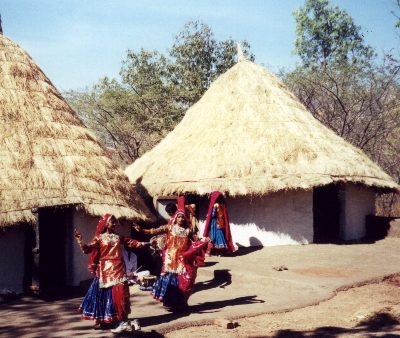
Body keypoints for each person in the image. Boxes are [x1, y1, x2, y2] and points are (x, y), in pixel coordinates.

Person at [74, 214, 148, 333]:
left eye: (115, 222)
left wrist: (148, 244)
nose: (114, 224)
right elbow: (87, 249)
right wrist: (80, 241)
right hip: (105, 272)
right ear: (106, 224)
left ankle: (123, 322)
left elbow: (132, 242)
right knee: (104, 297)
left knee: (121, 295)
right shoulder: (99, 238)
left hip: (118, 269)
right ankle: (107, 320)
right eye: (112, 222)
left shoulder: (118, 237)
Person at [134, 209, 209, 311]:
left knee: (184, 281)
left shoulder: (188, 231)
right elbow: (154, 231)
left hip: (182, 260)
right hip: (170, 259)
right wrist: (142, 230)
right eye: (179, 217)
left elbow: (195, 241)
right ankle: (171, 303)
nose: (181, 219)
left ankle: (182, 302)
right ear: (175, 218)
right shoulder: (170, 227)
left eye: (182, 217)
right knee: (170, 282)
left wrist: (205, 240)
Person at [203, 191, 235, 255]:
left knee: (216, 236)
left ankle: (217, 251)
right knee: (214, 236)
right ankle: (217, 252)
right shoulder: (221, 205)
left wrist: (214, 209)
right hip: (215, 223)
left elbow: (213, 215)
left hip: (217, 223)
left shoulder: (217, 205)